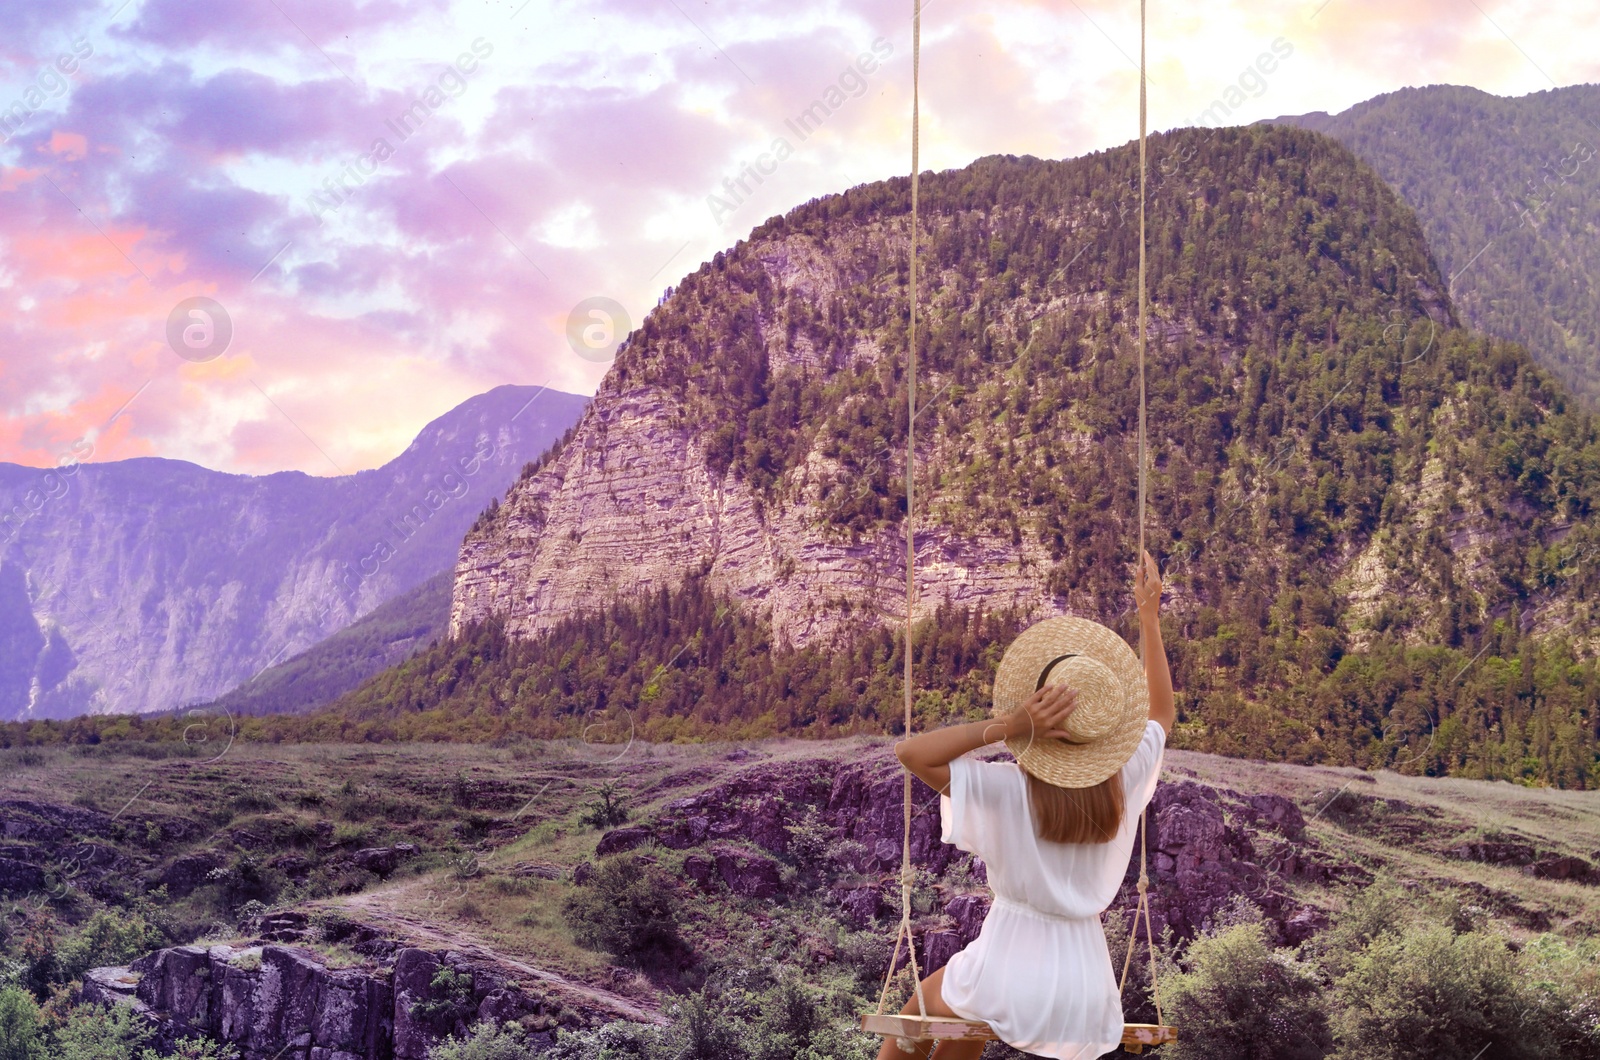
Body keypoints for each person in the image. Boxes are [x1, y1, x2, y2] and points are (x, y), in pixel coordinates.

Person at [882, 550, 1175, 1060]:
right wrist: (1149, 620)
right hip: (1087, 992)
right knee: (958, 1037)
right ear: (1104, 732)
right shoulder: (1123, 781)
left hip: (1009, 970)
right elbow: (1162, 712)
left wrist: (1011, 727)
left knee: (911, 1020)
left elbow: (911, 754)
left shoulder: (1010, 789)